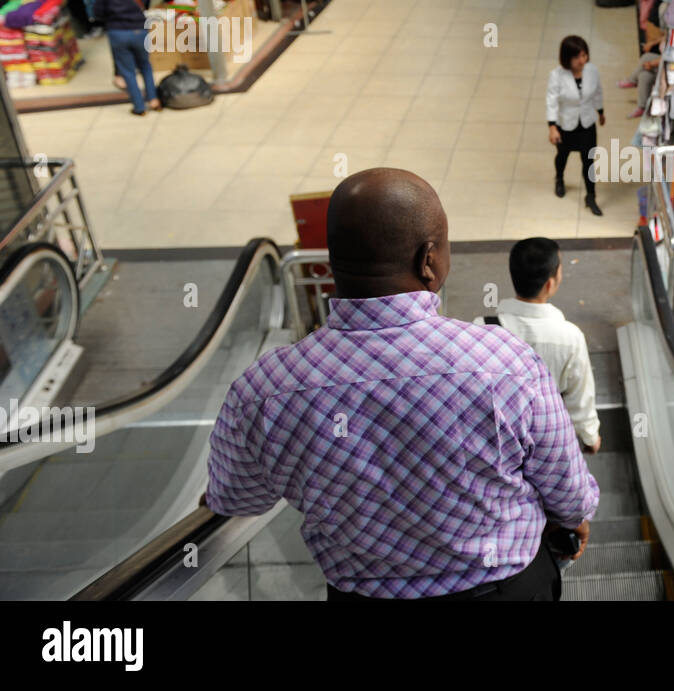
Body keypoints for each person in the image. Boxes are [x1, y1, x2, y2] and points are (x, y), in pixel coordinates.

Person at [206, 169, 599, 601]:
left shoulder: (264, 391)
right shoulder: (505, 364)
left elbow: (234, 499)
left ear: (334, 259)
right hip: (504, 589)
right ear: (428, 259)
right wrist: (575, 517)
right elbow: (567, 489)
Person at [493, 237, 602, 454]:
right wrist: (590, 437)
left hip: (500, 438)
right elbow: (580, 397)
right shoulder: (570, 337)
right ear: (550, 284)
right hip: (549, 440)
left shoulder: (484, 328)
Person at [92, 0, 201, 115]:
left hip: (117, 33)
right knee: (146, 66)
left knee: (127, 71)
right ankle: (154, 100)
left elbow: (97, 12)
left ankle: (139, 106)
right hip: (140, 31)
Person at [546, 34, 604, 216]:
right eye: (577, 57)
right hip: (566, 123)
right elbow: (552, 101)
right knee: (563, 154)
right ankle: (559, 179)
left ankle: (591, 196)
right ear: (567, 58)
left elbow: (597, 91)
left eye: (584, 55)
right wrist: (552, 126)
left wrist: (600, 111)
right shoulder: (556, 76)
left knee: (588, 160)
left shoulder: (592, 71)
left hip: (586, 123)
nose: (582, 60)